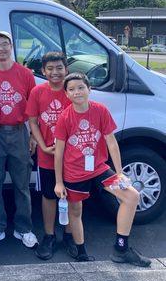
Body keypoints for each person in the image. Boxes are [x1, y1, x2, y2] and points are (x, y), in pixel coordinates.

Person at [54, 72, 151, 266]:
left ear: (89, 89)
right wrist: (59, 181)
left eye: (81, 87)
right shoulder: (65, 117)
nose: (77, 92)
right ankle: (80, 250)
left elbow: (111, 143)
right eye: (71, 89)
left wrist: (120, 172)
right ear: (66, 94)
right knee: (75, 210)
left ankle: (121, 248)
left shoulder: (100, 110)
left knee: (131, 196)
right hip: (74, 172)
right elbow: (59, 151)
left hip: (98, 168)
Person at [0, 31, 38, 249]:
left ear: (11, 46)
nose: (1, 48)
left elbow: (34, 108)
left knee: (22, 183)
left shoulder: (25, 74)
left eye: (5, 44)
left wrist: (33, 134)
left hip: (19, 131)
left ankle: (23, 228)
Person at [26, 52, 77, 260]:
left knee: (73, 196)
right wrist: (42, 145)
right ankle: (49, 235)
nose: (55, 72)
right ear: (43, 71)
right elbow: (33, 121)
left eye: (59, 68)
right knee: (49, 195)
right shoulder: (38, 92)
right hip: (48, 155)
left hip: (73, 157)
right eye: (50, 69)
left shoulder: (72, 91)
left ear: (66, 69)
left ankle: (70, 235)